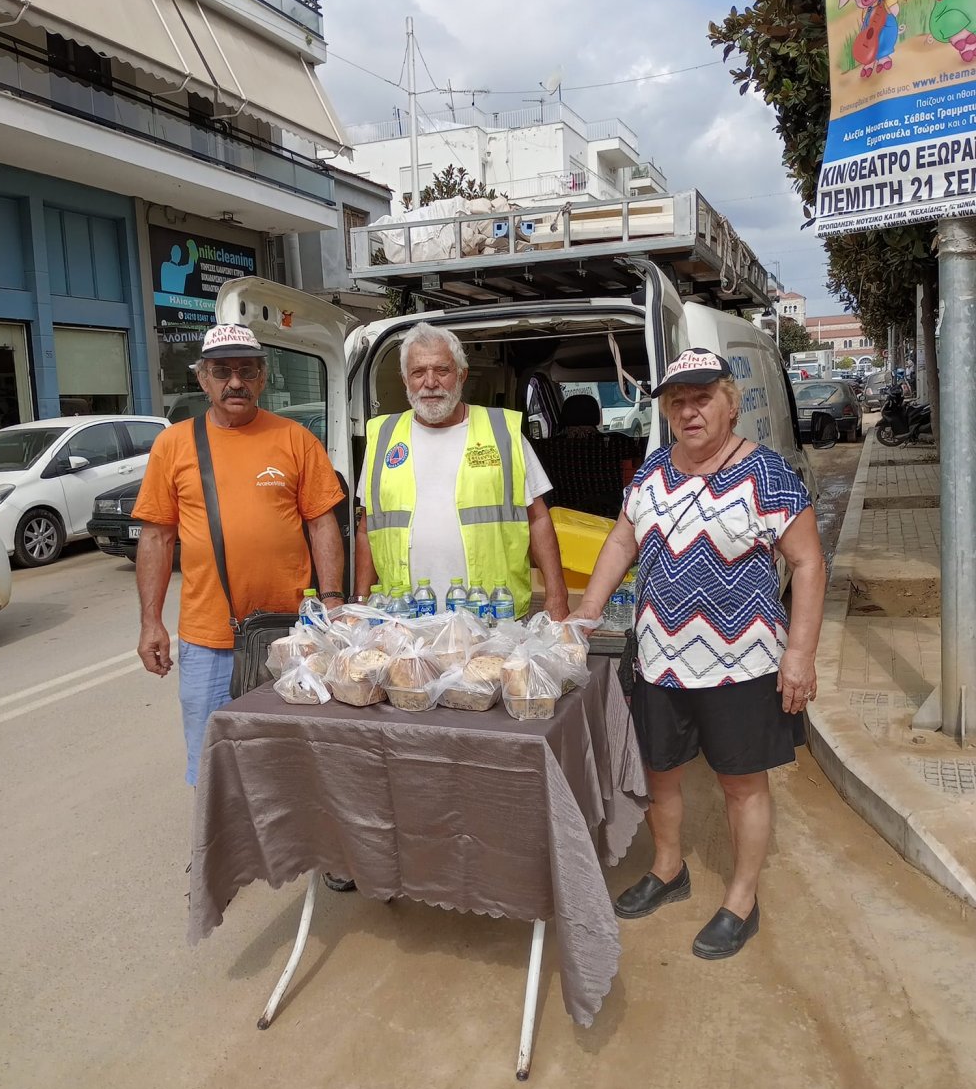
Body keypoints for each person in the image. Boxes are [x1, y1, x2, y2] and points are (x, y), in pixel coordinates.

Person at [572, 348, 826, 960]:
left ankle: (742, 899)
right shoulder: (652, 472)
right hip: (659, 659)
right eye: (677, 401)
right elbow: (621, 541)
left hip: (742, 664)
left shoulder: (768, 475)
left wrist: (800, 653)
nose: (689, 411)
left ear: (730, 404)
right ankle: (668, 869)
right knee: (662, 771)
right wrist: (585, 610)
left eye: (702, 397)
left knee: (741, 784)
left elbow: (808, 562)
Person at [133, 322, 346, 787]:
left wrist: (330, 600)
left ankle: (296, 852)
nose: (235, 382)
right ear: (203, 379)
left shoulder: (295, 439)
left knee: (293, 753)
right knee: (216, 757)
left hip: (292, 634)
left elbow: (321, 523)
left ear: (262, 379)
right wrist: (152, 621)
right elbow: (156, 538)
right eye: (222, 371)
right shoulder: (174, 445)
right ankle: (222, 853)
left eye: (246, 371)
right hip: (210, 638)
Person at [353, 323, 569, 620]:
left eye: (442, 370)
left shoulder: (502, 432)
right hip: (404, 621)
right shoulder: (383, 437)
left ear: (462, 375)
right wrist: (361, 600)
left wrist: (557, 597)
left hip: (492, 617)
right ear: (405, 380)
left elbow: (539, 519)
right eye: (418, 372)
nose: (430, 382)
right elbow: (367, 529)